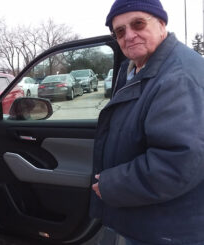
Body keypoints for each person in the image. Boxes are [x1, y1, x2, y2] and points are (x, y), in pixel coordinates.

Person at [90, 0, 204, 244]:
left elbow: (179, 162)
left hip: (170, 228)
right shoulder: (134, 69)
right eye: (119, 31)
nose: (129, 35)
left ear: (161, 23)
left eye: (138, 24)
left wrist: (112, 184)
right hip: (149, 217)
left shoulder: (178, 77)